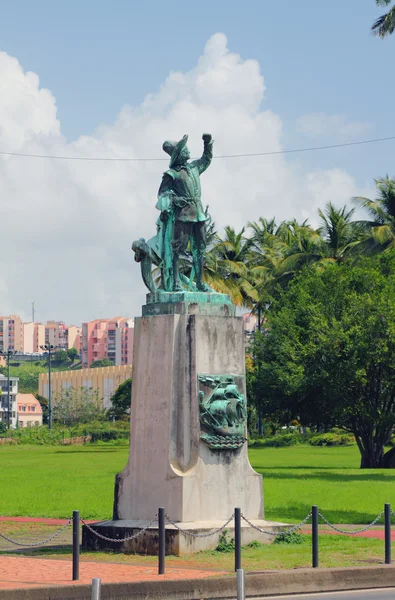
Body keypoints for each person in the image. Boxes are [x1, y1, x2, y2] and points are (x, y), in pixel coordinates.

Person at [156, 133, 214, 291]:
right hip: (182, 216)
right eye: (184, 149)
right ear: (179, 155)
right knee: (177, 251)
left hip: (199, 215)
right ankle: (175, 284)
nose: (188, 151)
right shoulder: (172, 174)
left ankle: (200, 283)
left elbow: (206, 159)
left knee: (200, 250)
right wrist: (174, 201)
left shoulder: (195, 167)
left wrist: (207, 143)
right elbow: (162, 194)